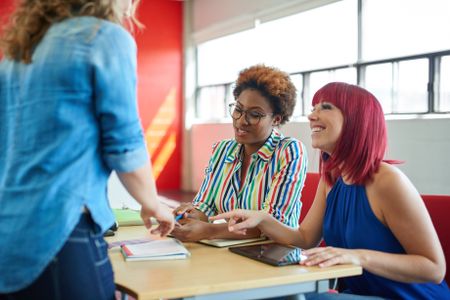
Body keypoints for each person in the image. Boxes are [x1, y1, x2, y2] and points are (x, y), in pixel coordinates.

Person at [0, 1, 175, 299]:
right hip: (63, 234)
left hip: (10, 232)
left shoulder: (18, 53)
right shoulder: (103, 37)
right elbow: (124, 143)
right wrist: (153, 204)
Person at [212, 82, 450, 299]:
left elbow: (433, 268)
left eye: (325, 107)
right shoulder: (332, 178)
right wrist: (262, 219)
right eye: (314, 107)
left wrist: (358, 256)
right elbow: (305, 239)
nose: (311, 115)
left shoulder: (387, 180)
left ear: (356, 119)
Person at [172, 64, 308, 242]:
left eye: (255, 114)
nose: (242, 121)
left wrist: (209, 231)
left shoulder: (289, 151)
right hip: (233, 252)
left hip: (275, 254)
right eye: (238, 109)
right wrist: (190, 215)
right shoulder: (222, 150)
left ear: (276, 119)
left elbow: (272, 223)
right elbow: (205, 205)